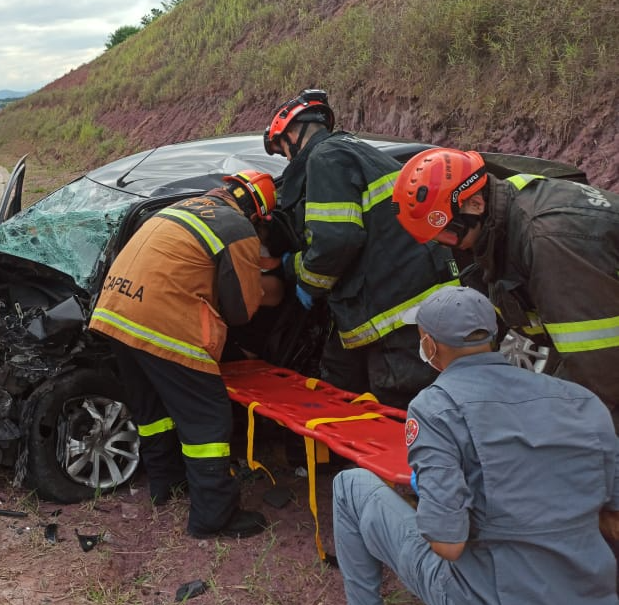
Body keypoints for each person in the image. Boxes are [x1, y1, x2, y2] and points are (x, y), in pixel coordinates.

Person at [332, 285, 619, 605]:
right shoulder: (581, 400)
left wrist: (433, 493)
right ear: (492, 335)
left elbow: (447, 543)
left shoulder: (435, 408)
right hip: (587, 593)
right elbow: (612, 520)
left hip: (487, 594)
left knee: (350, 485)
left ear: (428, 343)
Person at [88, 170, 284, 539]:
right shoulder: (238, 227)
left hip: (114, 311)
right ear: (259, 214)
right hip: (162, 323)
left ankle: (166, 485)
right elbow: (242, 310)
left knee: (152, 411)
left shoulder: (183, 207)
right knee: (207, 421)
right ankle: (214, 518)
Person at [392, 147, 619, 429]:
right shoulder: (500, 213)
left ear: (475, 204)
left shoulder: (547, 241)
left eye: (448, 234)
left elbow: (600, 369)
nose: (446, 244)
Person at [263, 89, 458, 408]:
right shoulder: (356, 151)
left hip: (398, 314)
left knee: (402, 410)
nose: (286, 160)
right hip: (414, 304)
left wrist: (303, 278)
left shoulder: (324, 158)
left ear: (293, 133)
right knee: (342, 380)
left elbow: (336, 240)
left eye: (282, 150)